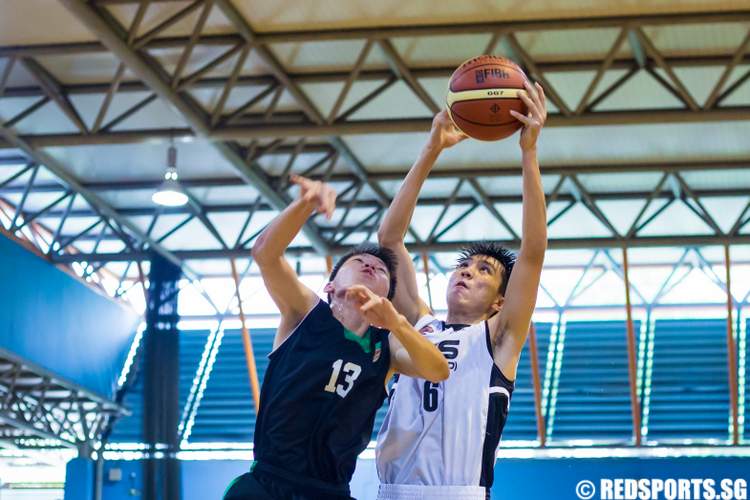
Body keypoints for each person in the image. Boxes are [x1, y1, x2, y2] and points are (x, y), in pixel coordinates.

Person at [223, 175, 449, 500]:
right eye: (360, 262)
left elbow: (438, 370)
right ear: (330, 286)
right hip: (268, 484)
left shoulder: (387, 347)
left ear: (387, 294)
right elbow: (265, 253)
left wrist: (398, 323)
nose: (372, 265)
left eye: (381, 270)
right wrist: (305, 204)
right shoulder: (304, 313)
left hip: (330, 492)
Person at [375, 81, 548, 500]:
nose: (466, 273)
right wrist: (431, 150)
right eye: (464, 266)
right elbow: (390, 239)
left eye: (483, 270)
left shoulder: (499, 337)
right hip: (389, 491)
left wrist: (528, 153)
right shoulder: (417, 323)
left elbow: (533, 252)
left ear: (500, 301)